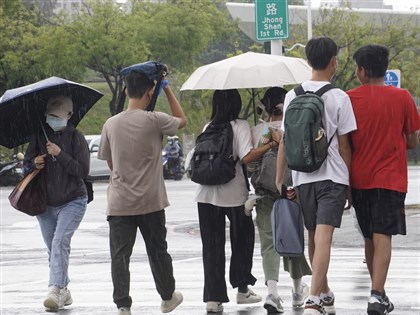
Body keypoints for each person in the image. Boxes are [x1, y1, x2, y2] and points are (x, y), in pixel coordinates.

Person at [274, 36, 357, 315]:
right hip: (332, 176)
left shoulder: (291, 96)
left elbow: (285, 141)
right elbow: (344, 145)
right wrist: (349, 183)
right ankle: (313, 298)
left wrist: (280, 177)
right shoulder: (339, 96)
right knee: (324, 237)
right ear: (334, 62)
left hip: (301, 175)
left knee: (314, 235)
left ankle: (322, 292)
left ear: (307, 61)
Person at [98, 66, 187, 315]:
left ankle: (123, 305)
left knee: (120, 256)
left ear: (126, 91)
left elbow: (109, 161)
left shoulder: (111, 124)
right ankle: (168, 297)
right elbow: (182, 120)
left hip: (119, 203)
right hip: (151, 201)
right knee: (158, 250)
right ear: (150, 92)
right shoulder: (155, 119)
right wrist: (166, 89)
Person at [346, 44, 420, 315]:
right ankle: (377, 294)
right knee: (383, 236)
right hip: (390, 179)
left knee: (368, 237)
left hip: (358, 179)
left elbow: (344, 142)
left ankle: (378, 293)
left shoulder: (349, 99)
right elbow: (412, 140)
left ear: (363, 71)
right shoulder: (402, 97)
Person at [194, 89, 268, 313]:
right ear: (236, 104)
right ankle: (243, 289)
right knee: (242, 241)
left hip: (205, 195)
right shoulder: (240, 125)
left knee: (212, 247)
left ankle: (213, 300)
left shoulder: (208, 127)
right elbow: (246, 156)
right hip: (234, 195)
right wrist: (269, 146)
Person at [247, 87, 312, 313]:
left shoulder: (259, 130)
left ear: (265, 106)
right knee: (293, 239)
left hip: (265, 195)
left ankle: (273, 293)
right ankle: (296, 292)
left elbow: (251, 167)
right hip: (291, 192)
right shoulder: (294, 128)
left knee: (269, 243)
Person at [23, 95, 90, 312]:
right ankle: (65, 291)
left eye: (57, 117)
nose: (52, 120)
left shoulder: (76, 138)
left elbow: (82, 171)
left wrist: (59, 154)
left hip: (73, 199)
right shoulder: (38, 136)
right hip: (45, 202)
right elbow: (26, 166)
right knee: (52, 247)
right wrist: (35, 163)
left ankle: (56, 289)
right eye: (49, 116)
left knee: (60, 241)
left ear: (69, 116)